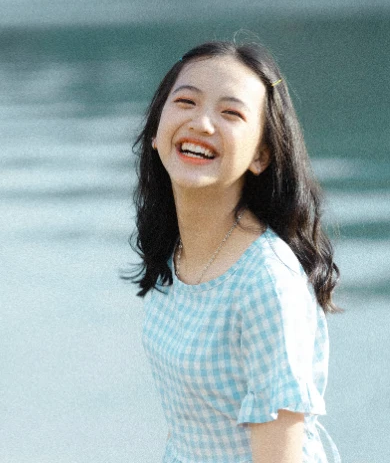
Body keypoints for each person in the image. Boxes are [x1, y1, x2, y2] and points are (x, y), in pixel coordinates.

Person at [132, 40, 341, 463]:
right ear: (156, 131)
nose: (202, 123)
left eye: (230, 113)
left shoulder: (266, 282)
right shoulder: (178, 251)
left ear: (261, 155)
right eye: (186, 101)